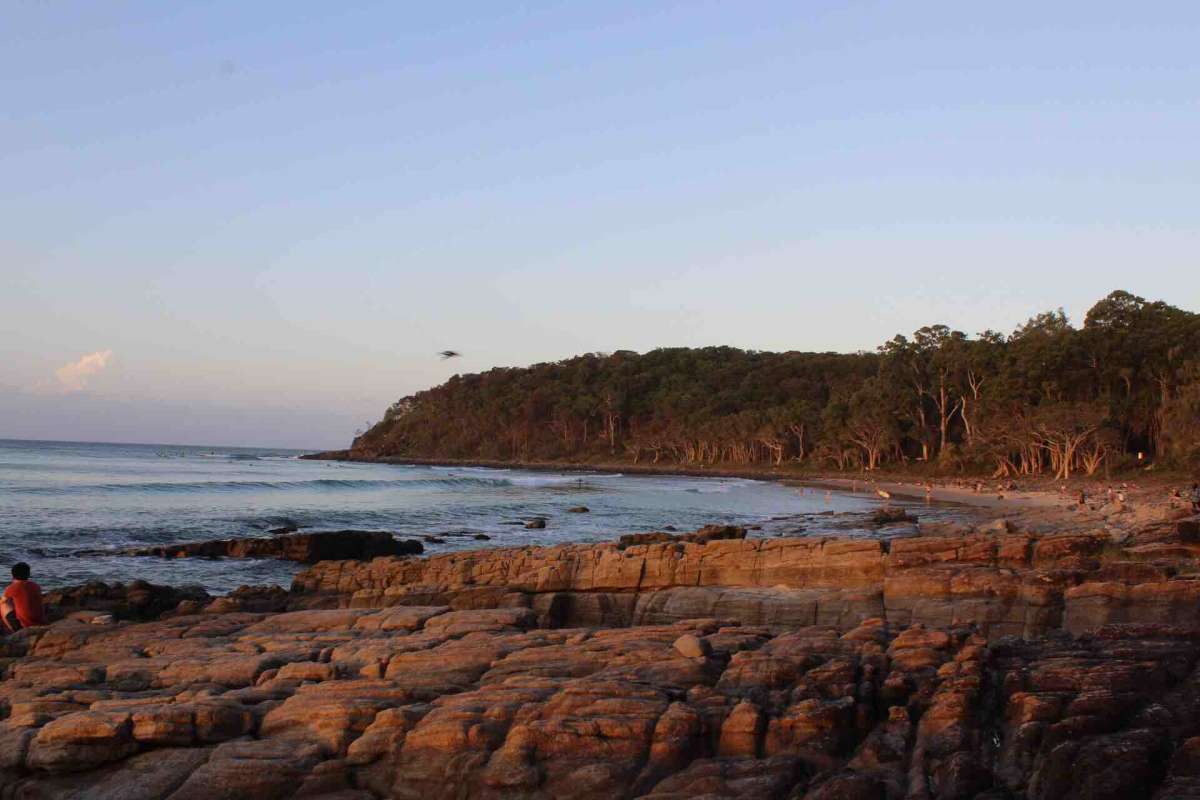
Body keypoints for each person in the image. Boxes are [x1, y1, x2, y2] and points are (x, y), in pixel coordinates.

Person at [2, 562, 47, 634]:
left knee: (3, 604)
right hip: (40, 622)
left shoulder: (12, 587)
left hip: (25, 625)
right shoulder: (35, 586)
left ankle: (11, 630)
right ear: (28, 574)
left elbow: (4, 601)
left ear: (12, 575)